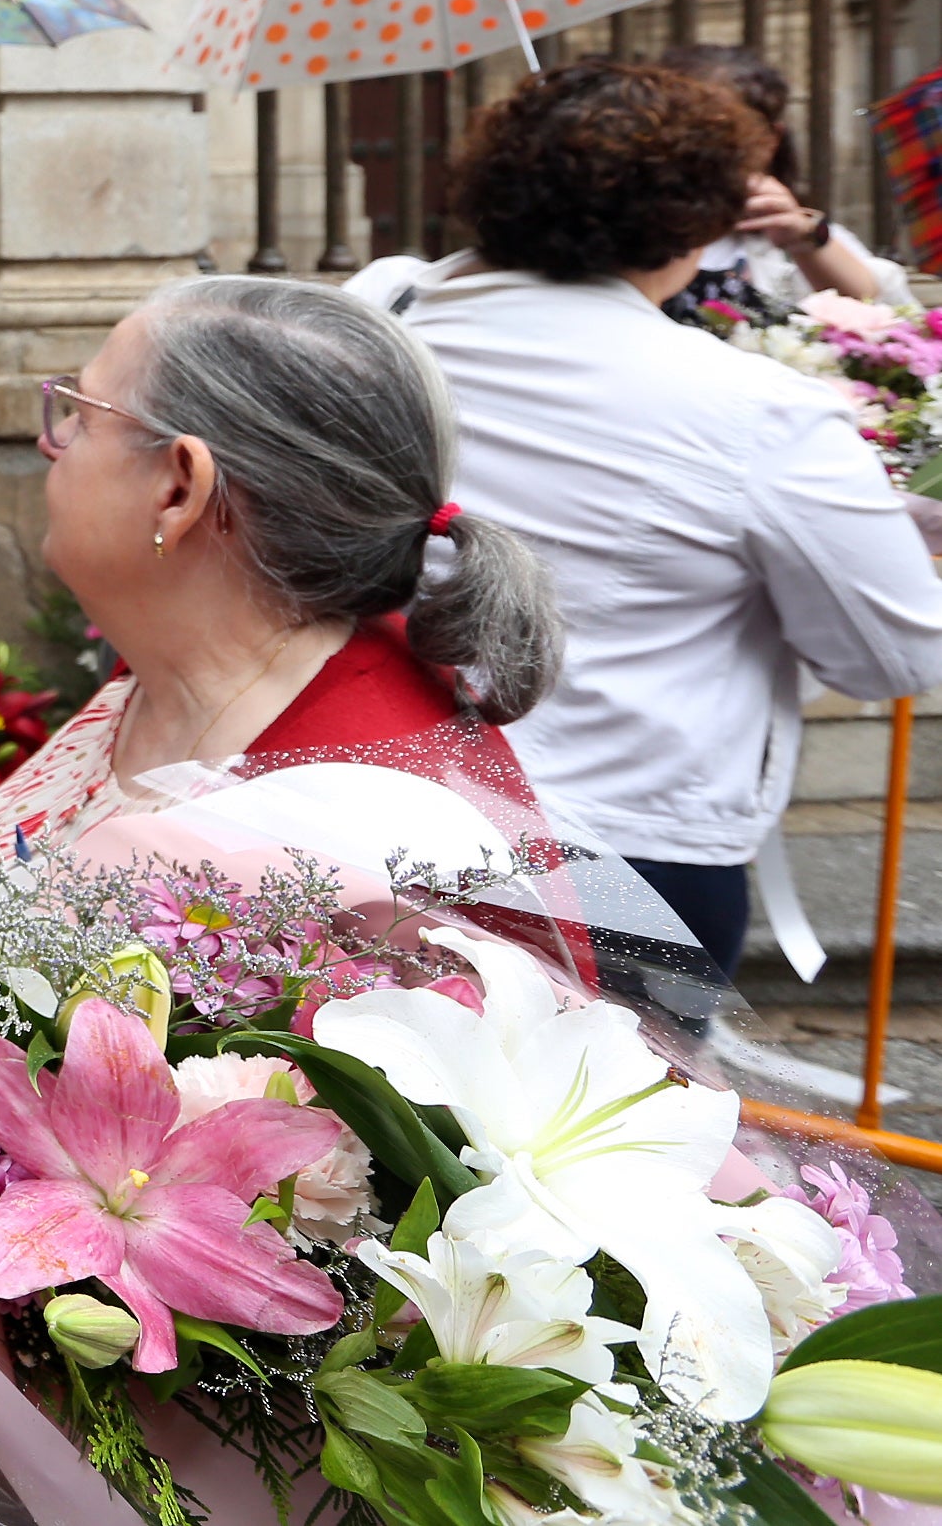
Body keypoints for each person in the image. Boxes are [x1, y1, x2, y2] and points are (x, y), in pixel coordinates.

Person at [344, 59, 942, 982]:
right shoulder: (755, 410)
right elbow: (894, 654)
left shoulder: (381, 307)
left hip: (359, 799)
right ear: (699, 221)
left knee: (362, 1102)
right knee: (611, 1113)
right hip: (613, 846)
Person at [0, 272, 568, 912]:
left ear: (178, 488)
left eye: (81, 414)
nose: (49, 439)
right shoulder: (176, 667)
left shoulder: (359, 836)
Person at [655, 41, 916, 313]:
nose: (706, 154)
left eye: (728, 136)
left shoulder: (791, 238)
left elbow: (881, 316)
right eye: (690, 133)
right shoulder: (630, 229)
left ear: (770, 140)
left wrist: (806, 240)